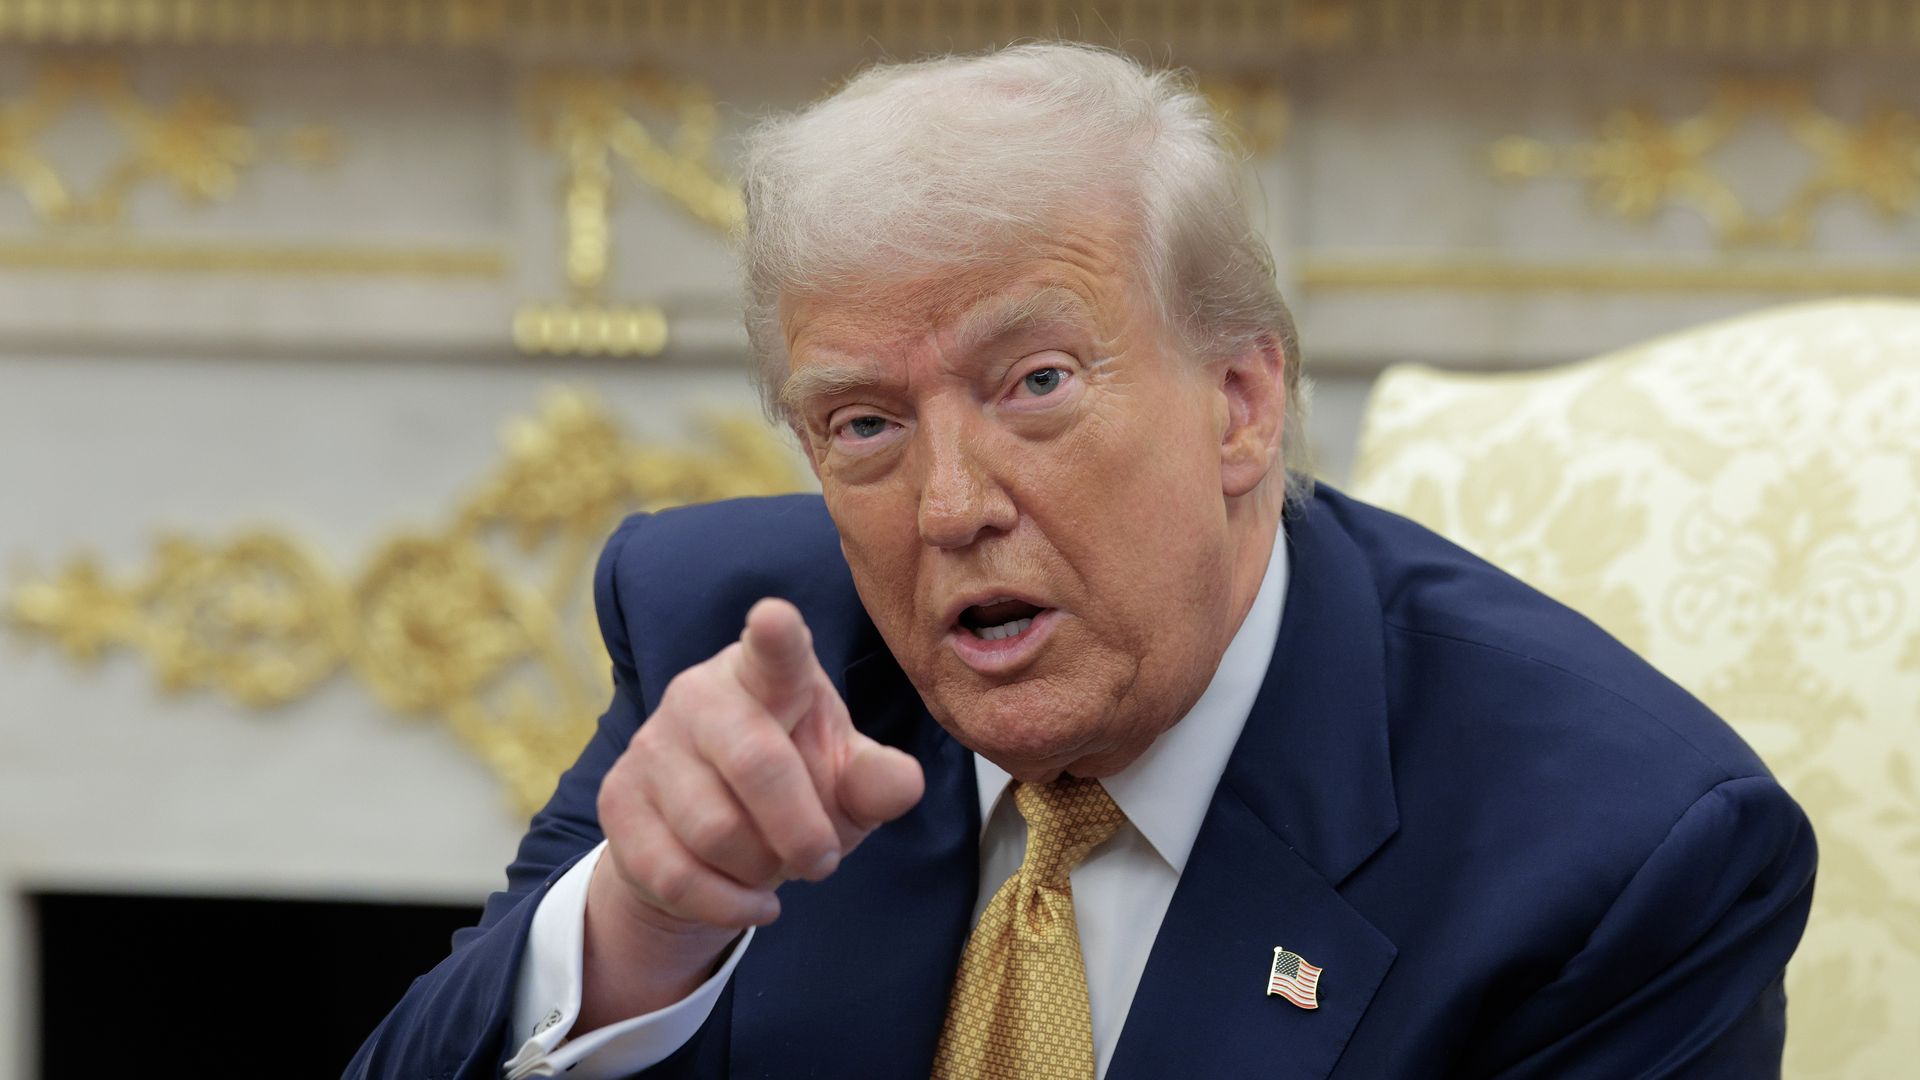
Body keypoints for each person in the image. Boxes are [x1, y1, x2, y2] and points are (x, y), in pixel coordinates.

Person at [348, 43, 1815, 1079]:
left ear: (1243, 401)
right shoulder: (734, 647)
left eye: (1036, 382)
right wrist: (635, 928)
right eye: (863, 421)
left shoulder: (1617, 859)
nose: (947, 505)